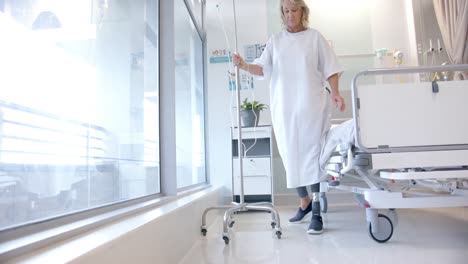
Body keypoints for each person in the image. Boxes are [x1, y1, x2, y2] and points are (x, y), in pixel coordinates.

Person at [233, 0, 345, 234]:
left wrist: (335, 92)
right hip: (285, 109)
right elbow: (261, 69)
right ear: (282, 14)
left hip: (312, 107)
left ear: (302, 12)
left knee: (313, 157)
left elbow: (331, 68)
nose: (290, 15)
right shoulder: (276, 41)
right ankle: (303, 200)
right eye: (286, 11)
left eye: (294, 10)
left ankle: (316, 212)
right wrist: (244, 65)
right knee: (290, 157)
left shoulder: (315, 38)